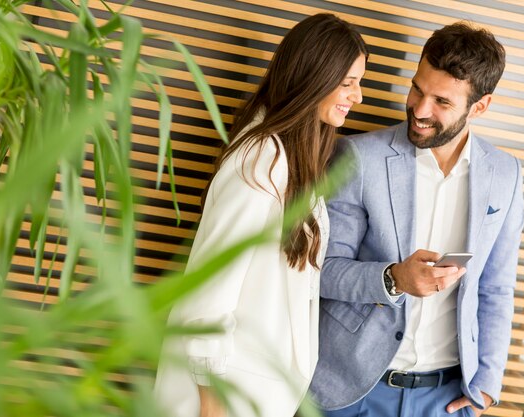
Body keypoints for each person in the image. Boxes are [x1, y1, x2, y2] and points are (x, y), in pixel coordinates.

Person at [153, 13, 368, 417]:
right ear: (313, 77)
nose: (357, 96)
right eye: (348, 82)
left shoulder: (294, 159)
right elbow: (209, 288)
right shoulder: (261, 160)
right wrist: (211, 404)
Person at [309, 21, 524, 417]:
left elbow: (496, 288)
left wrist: (487, 389)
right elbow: (322, 271)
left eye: (442, 102)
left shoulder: (506, 175)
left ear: (480, 106)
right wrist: (393, 278)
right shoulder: (358, 157)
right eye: (417, 89)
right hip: (351, 391)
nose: (420, 110)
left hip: (446, 400)